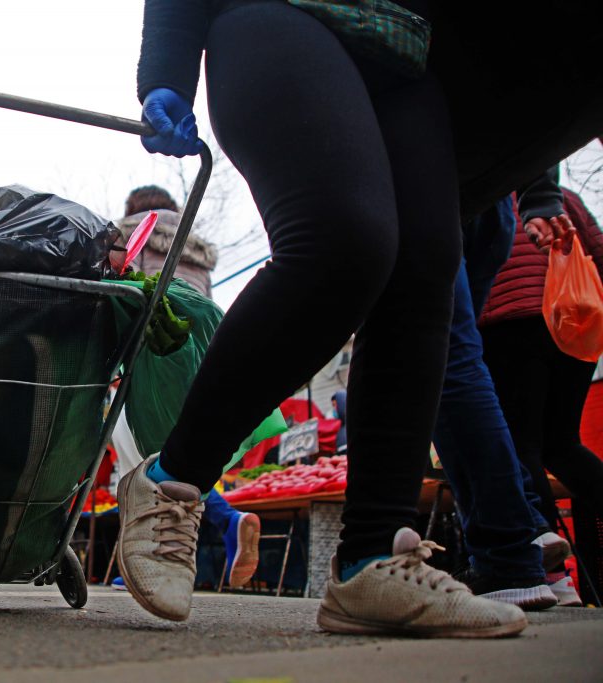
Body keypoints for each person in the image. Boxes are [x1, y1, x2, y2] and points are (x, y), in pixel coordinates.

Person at [117, 0, 530, 636]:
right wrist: (167, 68)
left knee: (425, 268)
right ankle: (174, 480)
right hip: (281, 14)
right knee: (345, 241)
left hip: (404, 45)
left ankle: (373, 559)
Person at [110, 186, 261, 591]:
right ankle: (218, 528)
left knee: (137, 466)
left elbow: (126, 294)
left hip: (148, 361)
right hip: (197, 363)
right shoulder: (196, 249)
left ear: (133, 209)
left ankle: (148, 562)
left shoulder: (133, 234)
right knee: (181, 457)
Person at [431, 184, 562, 611]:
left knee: (445, 368)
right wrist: (540, 196)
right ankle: (528, 528)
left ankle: (507, 555)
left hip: (433, 192)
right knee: (460, 369)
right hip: (493, 205)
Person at [479, 181, 603, 607]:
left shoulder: (486, 193)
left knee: (523, 447)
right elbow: (598, 250)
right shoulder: (561, 196)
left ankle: (550, 576)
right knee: (564, 445)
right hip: (575, 327)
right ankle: (551, 572)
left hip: (511, 323)